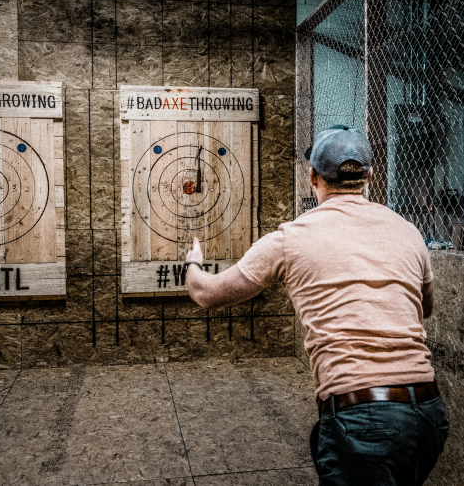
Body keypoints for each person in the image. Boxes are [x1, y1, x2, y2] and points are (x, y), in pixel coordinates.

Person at [184, 125, 449, 486]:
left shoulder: (291, 239)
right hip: (428, 413)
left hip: (361, 417)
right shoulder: (408, 231)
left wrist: (192, 263)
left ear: (312, 176)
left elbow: (205, 293)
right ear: (370, 175)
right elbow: (424, 308)